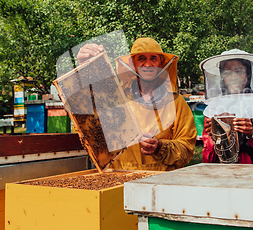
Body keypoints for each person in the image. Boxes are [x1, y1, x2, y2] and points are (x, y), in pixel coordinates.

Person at [77, 37, 196, 171]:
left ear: (161, 63)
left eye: (153, 58)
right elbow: (88, 120)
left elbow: (186, 148)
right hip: (119, 179)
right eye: (141, 58)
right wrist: (86, 67)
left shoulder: (176, 102)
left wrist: (160, 147)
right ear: (132, 63)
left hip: (159, 182)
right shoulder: (115, 98)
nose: (148, 64)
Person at [199, 49, 253, 164]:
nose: (233, 77)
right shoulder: (214, 109)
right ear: (222, 77)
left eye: (239, 71)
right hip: (223, 177)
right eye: (227, 72)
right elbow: (207, 160)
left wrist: (252, 134)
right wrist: (214, 138)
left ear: (248, 74)